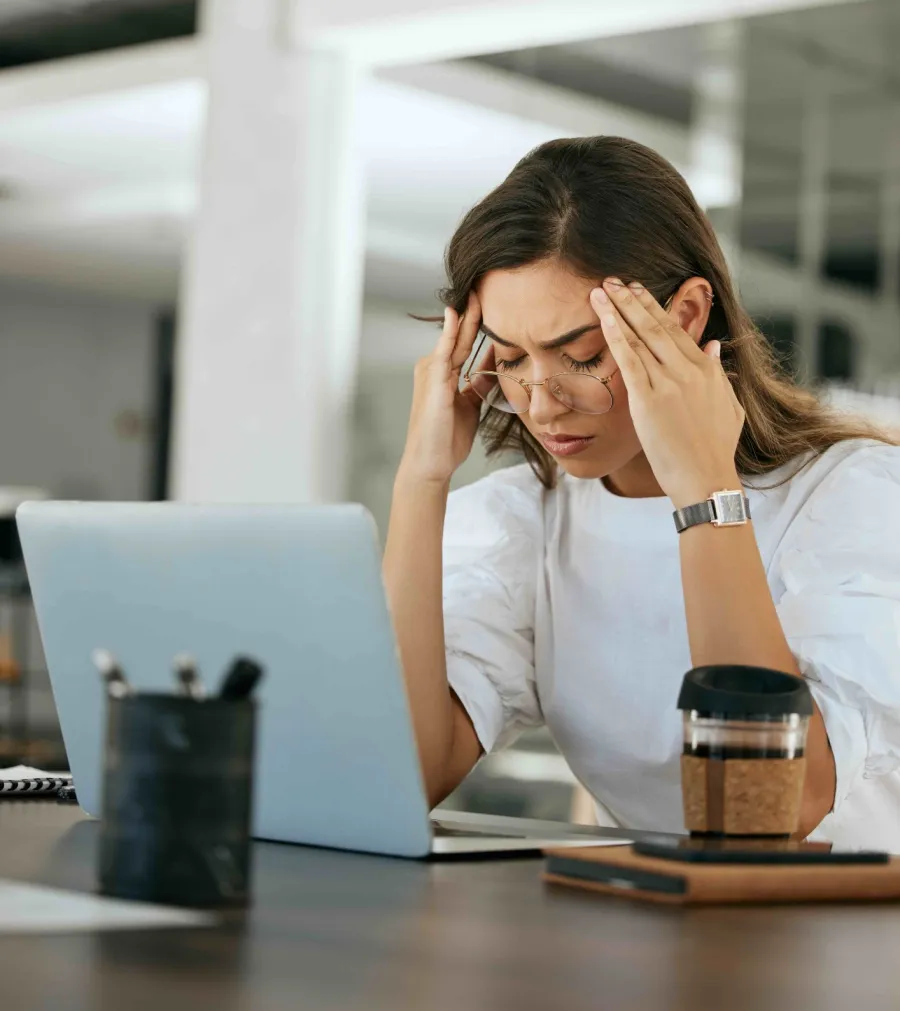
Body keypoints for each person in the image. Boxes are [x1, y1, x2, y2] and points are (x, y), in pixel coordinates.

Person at [383, 135, 900, 851]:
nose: (541, 401)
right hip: (661, 942)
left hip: (850, 947)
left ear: (686, 316)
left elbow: (767, 808)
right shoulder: (527, 526)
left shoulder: (849, 499)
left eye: (583, 355)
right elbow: (399, 776)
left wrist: (703, 485)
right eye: (507, 359)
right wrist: (421, 479)